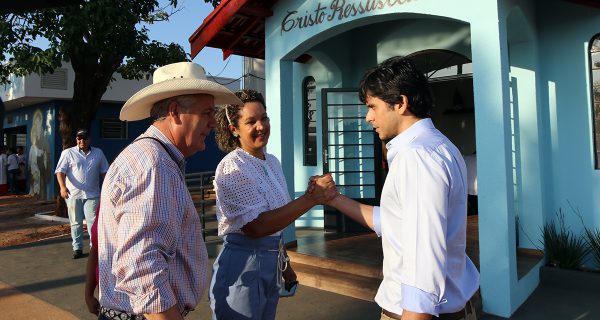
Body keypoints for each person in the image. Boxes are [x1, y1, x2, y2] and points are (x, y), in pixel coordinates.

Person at [321, 57, 480, 320]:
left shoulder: (416, 157)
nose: (368, 117)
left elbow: (423, 258)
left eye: (372, 106)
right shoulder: (440, 146)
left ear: (401, 103)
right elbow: (395, 223)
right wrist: (333, 198)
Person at [97, 62, 242, 320]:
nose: (213, 123)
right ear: (175, 112)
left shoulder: (151, 158)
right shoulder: (155, 165)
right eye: (207, 113)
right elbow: (141, 267)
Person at [209, 89, 338, 320]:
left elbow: (276, 223)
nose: (261, 126)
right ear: (234, 129)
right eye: (251, 121)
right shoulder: (232, 166)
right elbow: (256, 226)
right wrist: (312, 198)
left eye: (264, 118)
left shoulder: (272, 162)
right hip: (242, 268)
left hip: (271, 265)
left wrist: (285, 266)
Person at [55, 129, 109, 259]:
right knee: (75, 223)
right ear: (76, 139)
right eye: (79, 138)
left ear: (89, 139)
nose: (82, 141)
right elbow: (60, 171)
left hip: (92, 194)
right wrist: (62, 187)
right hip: (73, 195)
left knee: (93, 222)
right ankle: (77, 248)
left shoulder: (98, 153)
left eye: (84, 138)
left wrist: (108, 188)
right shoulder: (68, 153)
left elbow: (105, 172)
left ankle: (94, 248)